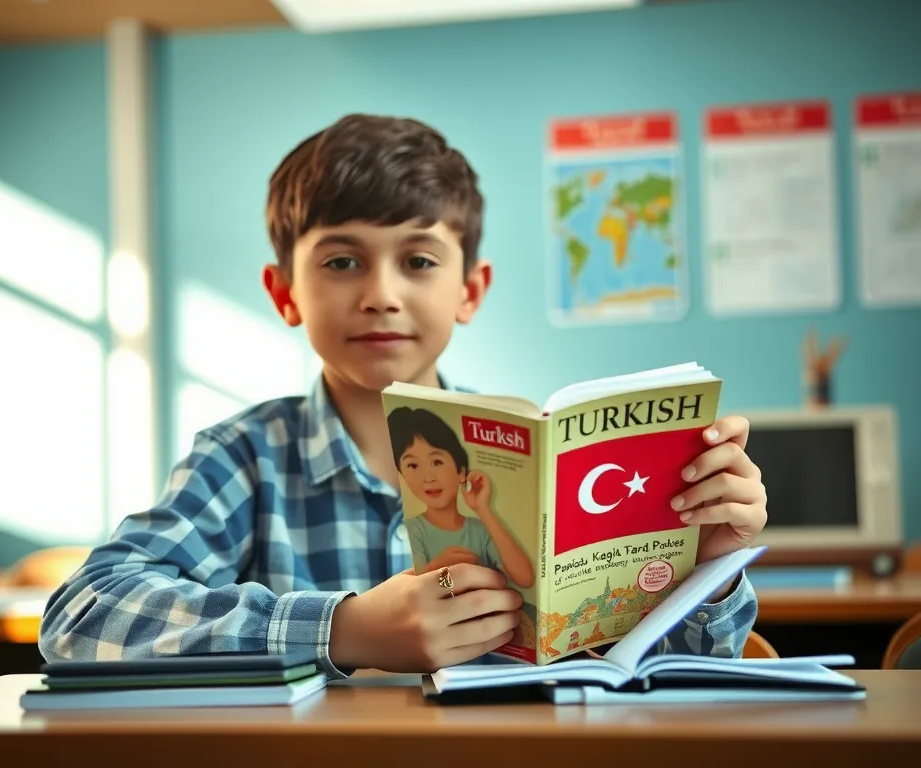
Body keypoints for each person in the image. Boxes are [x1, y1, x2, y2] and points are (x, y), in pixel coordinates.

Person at [38, 113, 768, 677]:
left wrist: (702, 563)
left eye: (418, 260)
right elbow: (82, 613)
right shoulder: (246, 458)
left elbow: (690, 667)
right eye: (342, 260)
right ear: (285, 292)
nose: (380, 295)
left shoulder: (545, 460)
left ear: (469, 291)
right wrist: (344, 630)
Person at [386, 405, 535, 589]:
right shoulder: (413, 530)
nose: (428, 477)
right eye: (413, 466)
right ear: (402, 475)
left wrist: (483, 508)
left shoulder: (480, 530)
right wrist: (441, 573)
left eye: (437, 462)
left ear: (461, 472)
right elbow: (419, 596)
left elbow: (526, 578)